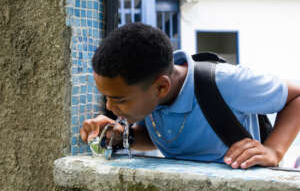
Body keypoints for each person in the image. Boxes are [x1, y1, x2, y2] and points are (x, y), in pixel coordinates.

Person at [80, 22, 300, 169]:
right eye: (107, 97)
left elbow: (296, 97)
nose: (110, 106)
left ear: (161, 87)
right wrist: (123, 137)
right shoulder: (150, 94)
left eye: (119, 99)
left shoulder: (226, 83)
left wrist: (274, 150)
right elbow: (166, 137)